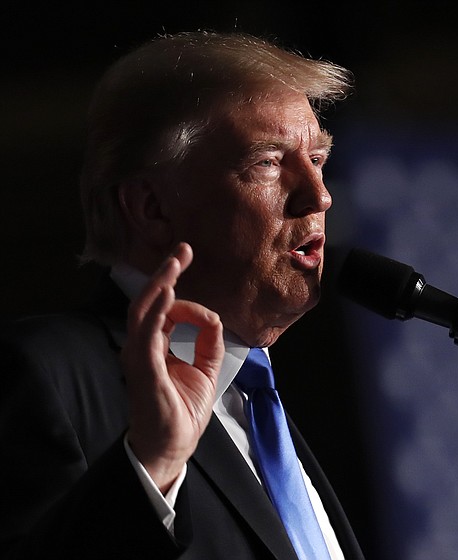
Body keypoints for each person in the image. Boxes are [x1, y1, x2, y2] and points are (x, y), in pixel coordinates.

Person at [0, 31, 364, 559]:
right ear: (151, 207)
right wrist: (153, 469)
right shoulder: (45, 373)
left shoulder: (260, 405)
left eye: (318, 157)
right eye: (266, 162)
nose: (319, 195)